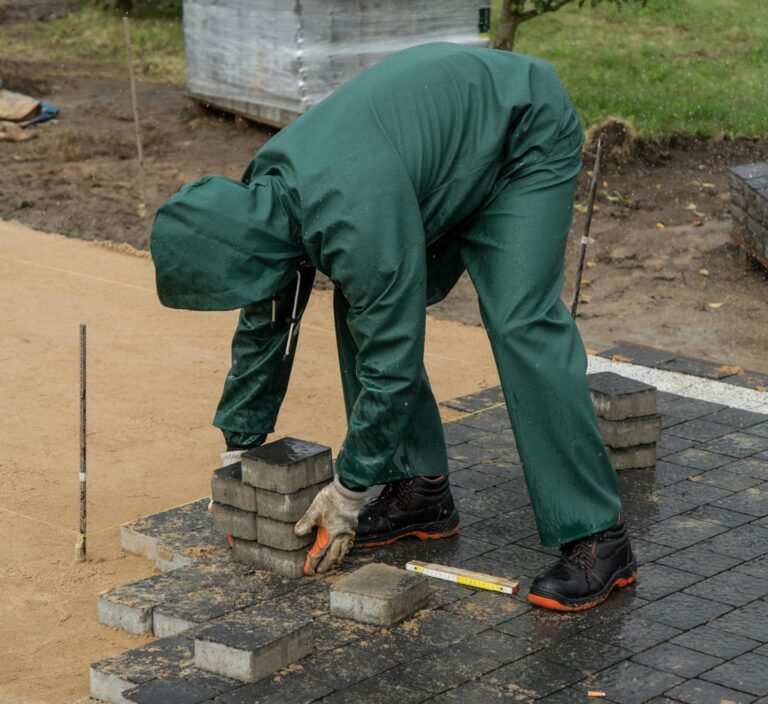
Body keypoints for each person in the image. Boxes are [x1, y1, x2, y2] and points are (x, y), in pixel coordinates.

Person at [150, 42, 636, 611]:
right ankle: (420, 491)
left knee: (520, 323)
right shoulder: (261, 203)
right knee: (363, 305)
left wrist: (348, 490)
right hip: (433, 163)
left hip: (520, 133)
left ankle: (600, 536)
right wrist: (241, 452)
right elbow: (269, 322)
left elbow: (393, 360)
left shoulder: (350, 215)